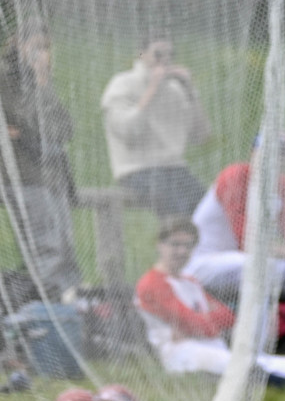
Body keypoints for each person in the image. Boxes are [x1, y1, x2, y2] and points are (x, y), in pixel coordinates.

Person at [186, 155, 285, 365]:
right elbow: (249, 243)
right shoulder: (235, 177)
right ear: (255, 153)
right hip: (204, 265)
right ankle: (253, 358)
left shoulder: (281, 183)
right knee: (259, 267)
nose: (278, 157)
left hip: (247, 263)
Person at [135, 219, 285, 380]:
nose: (181, 252)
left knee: (284, 363)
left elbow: (228, 316)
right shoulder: (153, 283)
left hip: (209, 346)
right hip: (182, 353)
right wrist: (205, 321)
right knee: (245, 367)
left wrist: (204, 322)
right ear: (160, 245)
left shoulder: (190, 282)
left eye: (187, 246)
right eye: (175, 244)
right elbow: (194, 324)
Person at [1, 24, 81, 297]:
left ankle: (73, 303)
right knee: (47, 248)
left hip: (53, 177)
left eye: (45, 48)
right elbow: (25, 122)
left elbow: (62, 130)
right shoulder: (5, 79)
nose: (41, 55)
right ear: (17, 45)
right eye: (34, 47)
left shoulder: (41, 80)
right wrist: (24, 130)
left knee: (66, 247)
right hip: (24, 176)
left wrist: (44, 84)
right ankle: (50, 308)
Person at [100, 35, 212, 219]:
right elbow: (128, 132)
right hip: (137, 169)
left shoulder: (175, 89)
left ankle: (203, 247)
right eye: (158, 54)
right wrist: (152, 89)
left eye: (170, 55)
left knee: (208, 211)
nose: (165, 60)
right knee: (177, 210)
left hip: (174, 168)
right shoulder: (122, 84)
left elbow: (202, 135)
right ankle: (176, 246)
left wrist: (191, 91)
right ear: (141, 55)